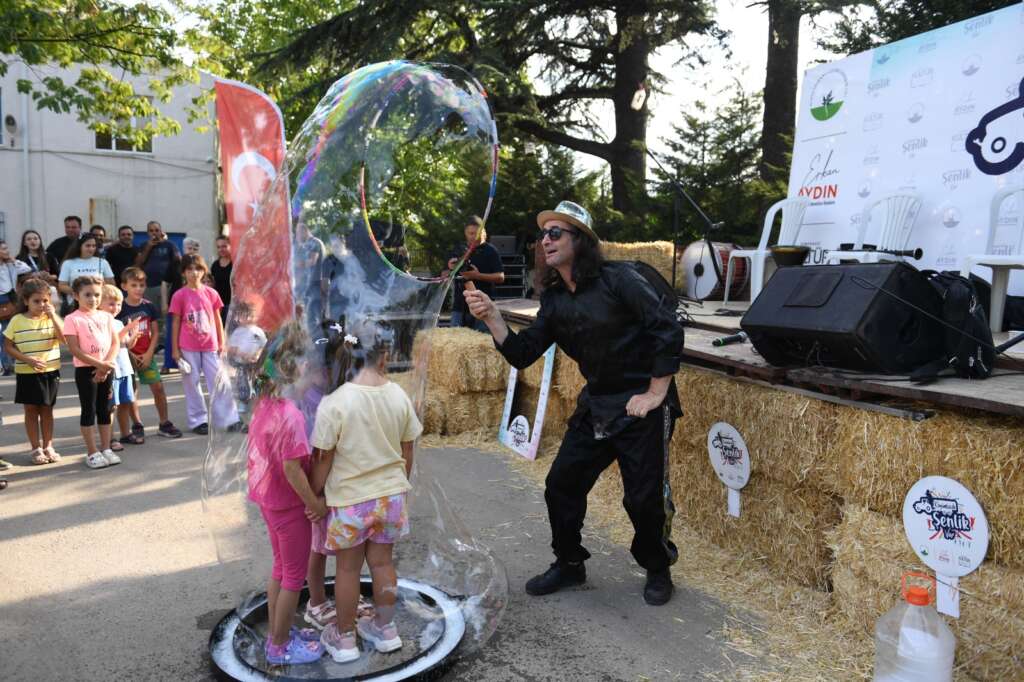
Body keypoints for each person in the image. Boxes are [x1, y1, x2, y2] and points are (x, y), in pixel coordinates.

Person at [464, 200, 684, 606]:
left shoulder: (620, 279)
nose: (545, 240)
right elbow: (524, 352)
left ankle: (657, 566)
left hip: (641, 403)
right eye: (543, 234)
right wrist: (494, 318)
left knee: (642, 500)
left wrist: (655, 393)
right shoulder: (554, 300)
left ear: (580, 240)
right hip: (598, 404)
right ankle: (569, 564)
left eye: (555, 233)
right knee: (561, 486)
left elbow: (666, 326)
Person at [311, 321, 422, 662]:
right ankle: (385, 629)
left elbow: (324, 458)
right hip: (391, 499)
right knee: (383, 563)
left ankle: (345, 640)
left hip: (350, 502)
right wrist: (396, 485)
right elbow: (408, 450)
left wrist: (316, 494)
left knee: (346, 570)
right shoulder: (398, 395)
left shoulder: (335, 402)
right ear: (385, 356)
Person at [246, 322, 325, 665]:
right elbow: (293, 469)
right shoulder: (291, 416)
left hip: (269, 502)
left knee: (281, 567)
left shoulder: (265, 404)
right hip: (291, 506)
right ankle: (279, 646)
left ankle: (278, 633)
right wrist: (315, 504)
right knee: (294, 576)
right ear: (299, 367)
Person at [169, 254, 241, 435]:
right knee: (191, 384)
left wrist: (222, 342)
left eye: (198, 269)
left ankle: (230, 419)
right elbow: (176, 323)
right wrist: (175, 350)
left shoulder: (211, 293)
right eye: (189, 269)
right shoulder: (179, 295)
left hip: (210, 345)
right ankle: (198, 420)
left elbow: (217, 319)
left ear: (204, 271)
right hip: (188, 347)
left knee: (220, 382)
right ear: (183, 272)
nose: (194, 273)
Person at [2, 277, 65, 464]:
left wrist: (53, 316)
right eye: (36, 301)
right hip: (26, 372)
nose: (41, 304)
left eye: (45, 300)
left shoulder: (52, 319)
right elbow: (8, 347)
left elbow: (64, 339)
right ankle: (35, 448)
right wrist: (28, 359)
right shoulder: (17, 320)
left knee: (47, 409)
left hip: (50, 370)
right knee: (30, 410)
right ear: (26, 301)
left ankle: (48, 446)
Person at [63, 275, 120, 470]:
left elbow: (115, 342)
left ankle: (106, 448)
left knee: (105, 409)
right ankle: (92, 451)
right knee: (89, 409)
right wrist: (99, 365)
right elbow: (74, 349)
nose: (93, 299)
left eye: (96, 295)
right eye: (87, 295)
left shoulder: (106, 316)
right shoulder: (72, 319)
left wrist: (107, 364)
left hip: (106, 367)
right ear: (76, 296)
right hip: (86, 370)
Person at [118, 267, 182, 439]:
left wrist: (148, 354)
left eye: (141, 285)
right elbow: (117, 335)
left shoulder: (149, 306)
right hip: (127, 356)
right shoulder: (120, 309)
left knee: (158, 388)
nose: (138, 288)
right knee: (131, 391)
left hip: (147, 355)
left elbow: (155, 332)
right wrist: (131, 355)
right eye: (134, 285)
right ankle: (137, 424)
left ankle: (164, 423)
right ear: (124, 286)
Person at [101, 285, 142, 454]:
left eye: (118, 304)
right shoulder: (101, 322)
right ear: (100, 304)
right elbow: (112, 342)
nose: (115, 308)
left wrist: (133, 337)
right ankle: (110, 438)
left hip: (125, 368)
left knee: (125, 402)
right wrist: (126, 330)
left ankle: (126, 433)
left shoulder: (118, 322)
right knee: (112, 406)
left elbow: (125, 344)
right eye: (111, 304)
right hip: (113, 369)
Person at [135, 220, 181, 371]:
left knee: (167, 322)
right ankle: (152, 356)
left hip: (166, 288)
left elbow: (178, 263)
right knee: (151, 321)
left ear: (161, 231)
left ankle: (167, 363)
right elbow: (138, 264)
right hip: (149, 287)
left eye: (156, 230)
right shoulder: (144, 246)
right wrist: (149, 247)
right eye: (151, 230)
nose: (154, 233)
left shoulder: (170, 245)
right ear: (148, 233)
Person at [445, 216, 504, 331]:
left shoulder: (491, 251)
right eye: (470, 233)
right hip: (459, 306)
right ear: (465, 233)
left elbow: (500, 277)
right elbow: (445, 275)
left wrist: (477, 276)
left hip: (483, 305)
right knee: (454, 343)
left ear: (483, 232)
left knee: (482, 343)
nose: (474, 237)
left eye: (477, 233)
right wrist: (452, 268)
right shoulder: (459, 249)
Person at [225, 300, 266, 424]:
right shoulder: (237, 332)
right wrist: (240, 353)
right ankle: (243, 403)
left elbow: (263, 345)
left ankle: (257, 404)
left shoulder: (258, 331)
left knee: (257, 383)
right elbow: (230, 348)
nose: (247, 317)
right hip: (242, 365)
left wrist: (258, 354)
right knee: (243, 384)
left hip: (255, 364)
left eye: (250, 314)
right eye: (243, 315)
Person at [57, 235, 115, 314]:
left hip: (98, 303)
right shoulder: (68, 263)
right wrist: (80, 293)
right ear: (80, 246)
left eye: (93, 246)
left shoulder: (102, 262)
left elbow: (111, 283)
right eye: (88, 246)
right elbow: (62, 286)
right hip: (75, 304)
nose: (91, 248)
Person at [1, 239, 32, 375]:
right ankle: (5, 365)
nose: (6, 251)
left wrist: (13, 261)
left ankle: (10, 363)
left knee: (9, 334)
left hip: (10, 300)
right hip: (2, 299)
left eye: (7, 248)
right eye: (3, 249)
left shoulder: (11, 265)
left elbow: (26, 268)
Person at [210, 236, 233, 324]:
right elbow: (211, 284)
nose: (221, 249)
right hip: (217, 305)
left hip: (231, 306)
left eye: (224, 246)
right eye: (218, 247)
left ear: (230, 246)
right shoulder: (215, 265)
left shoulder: (235, 264)